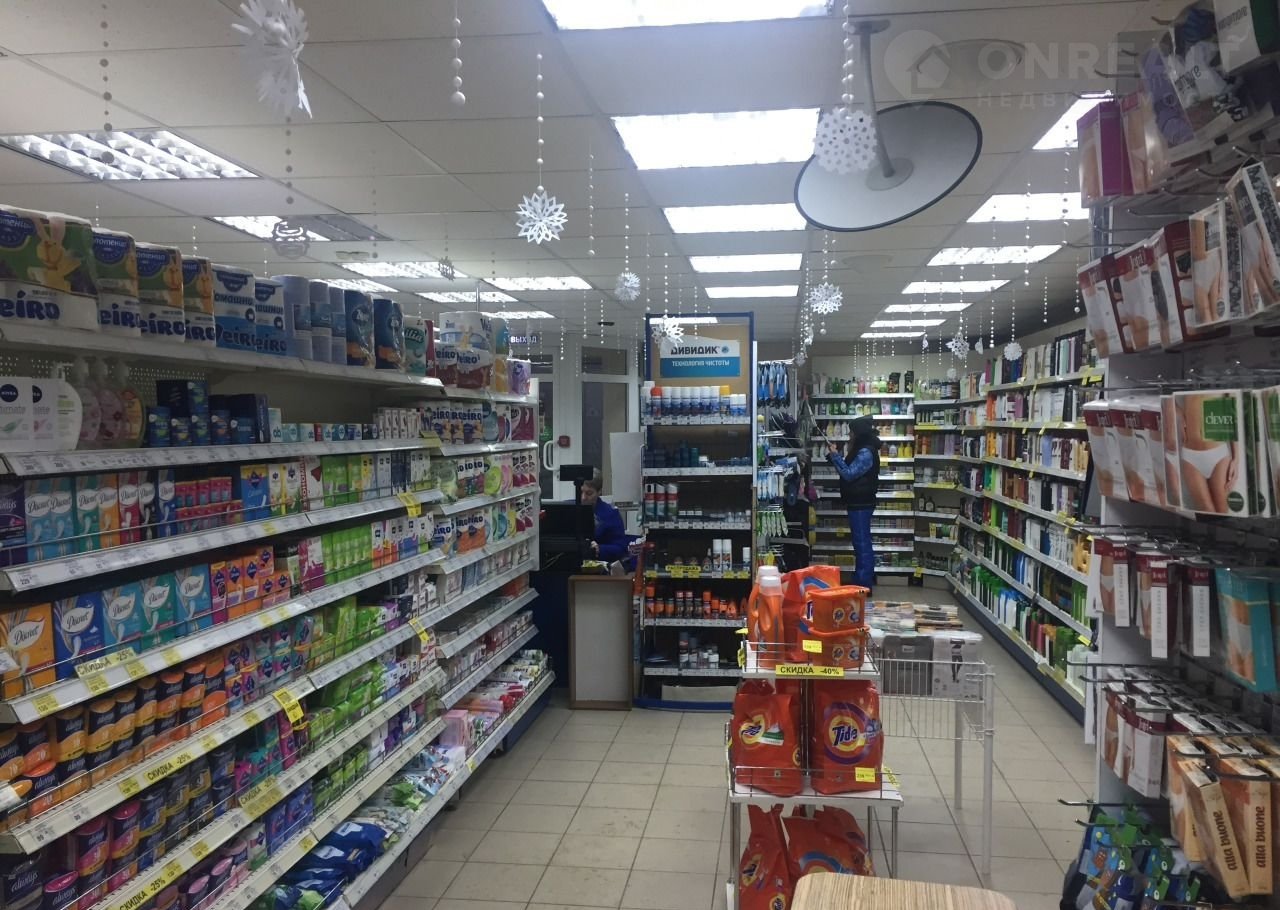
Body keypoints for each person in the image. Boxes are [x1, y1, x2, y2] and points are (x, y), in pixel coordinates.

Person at [826, 416, 881, 591]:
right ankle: (861, 579)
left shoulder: (865, 452)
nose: (849, 435)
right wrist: (834, 457)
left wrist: (836, 456)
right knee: (860, 543)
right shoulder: (862, 449)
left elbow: (849, 474)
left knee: (862, 543)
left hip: (861, 503)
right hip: (858, 502)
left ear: (858, 433)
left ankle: (863, 583)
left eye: (851, 432)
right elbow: (850, 468)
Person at [579, 471, 630, 561]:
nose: (583, 498)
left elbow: (621, 548)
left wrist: (600, 549)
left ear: (599, 492)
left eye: (589, 493)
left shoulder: (610, 514)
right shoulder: (567, 509)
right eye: (580, 492)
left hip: (598, 563)